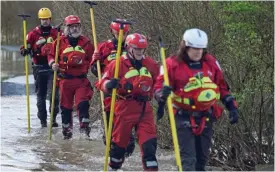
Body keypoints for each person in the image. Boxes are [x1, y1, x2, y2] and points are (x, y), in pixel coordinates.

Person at [154, 28, 239, 171]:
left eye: (201, 49)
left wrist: (231, 106)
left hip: (206, 115)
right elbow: (158, 87)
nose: (198, 52)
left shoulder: (211, 62)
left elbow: (222, 86)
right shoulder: (171, 64)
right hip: (182, 115)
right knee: (188, 159)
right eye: (194, 48)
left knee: (202, 159)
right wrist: (162, 93)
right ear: (185, 46)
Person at [97, 33, 159, 170]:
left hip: (144, 110)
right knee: (118, 149)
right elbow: (101, 82)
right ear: (129, 48)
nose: (140, 52)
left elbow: (159, 83)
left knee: (150, 147)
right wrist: (109, 85)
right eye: (137, 49)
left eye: (142, 49)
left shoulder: (151, 64)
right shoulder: (117, 64)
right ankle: (114, 166)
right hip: (124, 108)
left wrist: (161, 94)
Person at [91, 19, 136, 157]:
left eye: (124, 33)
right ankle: (112, 148)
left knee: (127, 127)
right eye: (118, 33)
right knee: (111, 123)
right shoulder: (104, 47)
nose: (121, 36)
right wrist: (96, 61)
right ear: (113, 32)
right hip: (110, 91)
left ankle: (127, 150)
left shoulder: (133, 48)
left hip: (128, 92)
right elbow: (95, 70)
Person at [48, 15, 94, 139]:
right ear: (67, 28)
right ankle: (67, 133)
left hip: (81, 80)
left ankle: (85, 132)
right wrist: (53, 64)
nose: (75, 29)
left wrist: (93, 65)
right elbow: (51, 56)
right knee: (66, 108)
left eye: (77, 26)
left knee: (83, 104)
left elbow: (92, 59)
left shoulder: (87, 43)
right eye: (72, 27)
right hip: (65, 80)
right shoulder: (59, 42)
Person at [20, 8, 60, 128]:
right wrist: (25, 50)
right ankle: (43, 120)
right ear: (40, 20)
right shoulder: (33, 34)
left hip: (52, 67)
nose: (45, 21)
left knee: (54, 94)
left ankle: (53, 118)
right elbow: (23, 49)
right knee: (41, 95)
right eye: (43, 19)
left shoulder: (56, 33)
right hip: (39, 67)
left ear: (50, 19)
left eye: (47, 19)